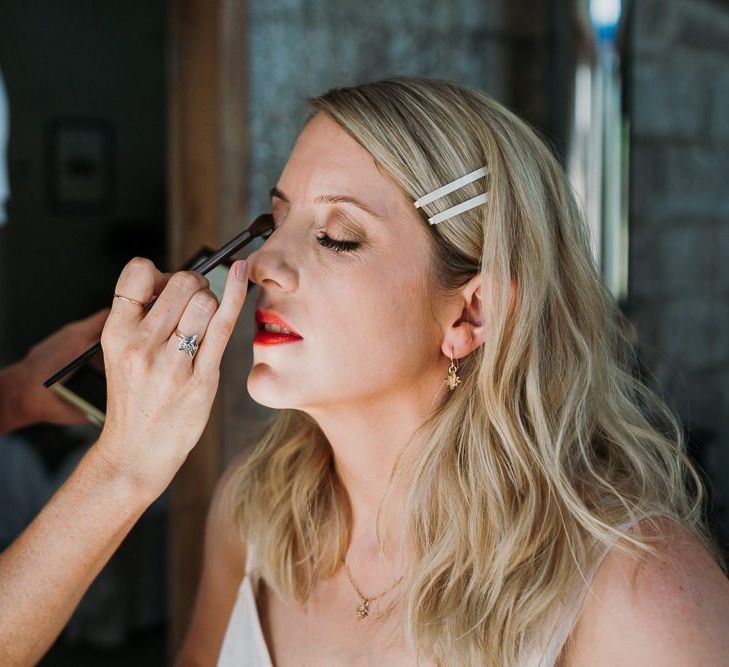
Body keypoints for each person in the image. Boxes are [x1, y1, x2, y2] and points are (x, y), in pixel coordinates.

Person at [175, 77, 729, 666]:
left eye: (338, 237)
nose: (263, 265)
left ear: (472, 312)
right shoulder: (254, 509)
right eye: (275, 221)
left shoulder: (642, 593)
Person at [0, 257, 252, 665]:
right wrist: (125, 465)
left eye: (337, 240)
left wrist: (16, 394)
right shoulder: (246, 500)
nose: (272, 267)